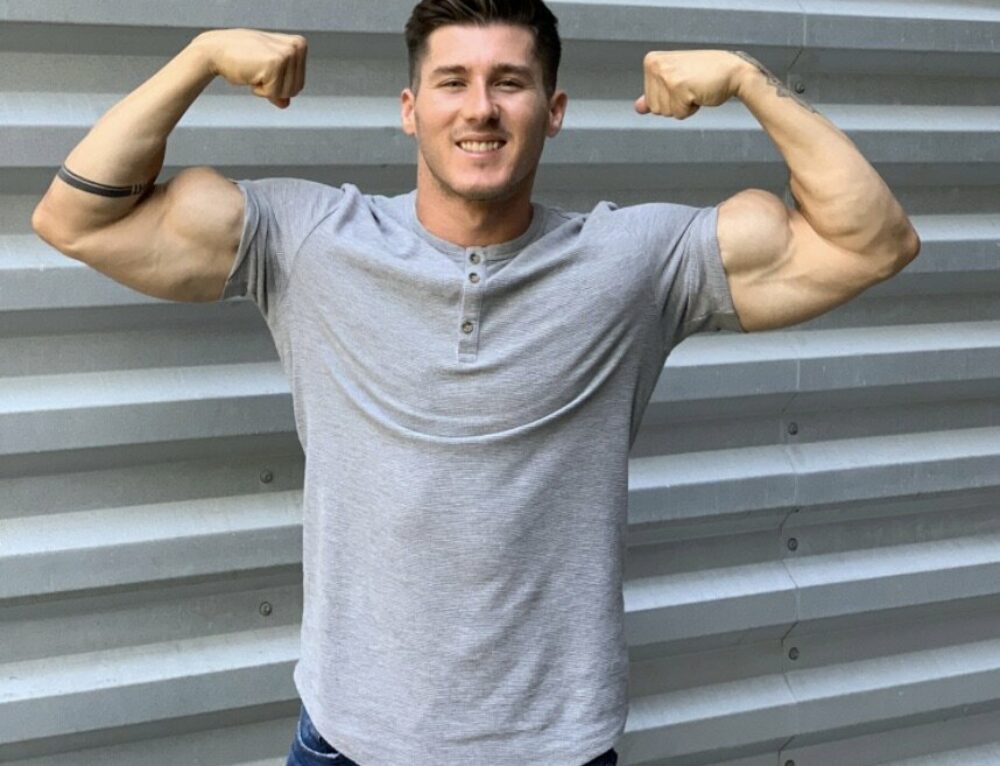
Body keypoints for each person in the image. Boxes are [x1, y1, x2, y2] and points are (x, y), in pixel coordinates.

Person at [30, 1, 920, 764]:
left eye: (510, 82)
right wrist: (198, 58)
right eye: (452, 81)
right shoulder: (306, 240)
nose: (481, 108)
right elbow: (77, 219)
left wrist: (749, 80)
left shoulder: (636, 262)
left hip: (555, 747)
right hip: (348, 740)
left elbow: (873, 244)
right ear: (410, 109)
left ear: (554, 110)